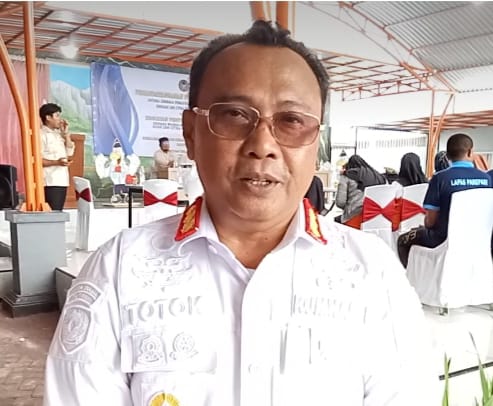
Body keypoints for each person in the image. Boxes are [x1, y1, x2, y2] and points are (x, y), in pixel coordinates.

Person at [44, 21, 438, 406]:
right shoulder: (117, 271)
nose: (262, 145)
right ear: (191, 133)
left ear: (315, 141)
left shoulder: (373, 274)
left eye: (292, 120)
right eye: (234, 114)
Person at [398, 133, 492, 267]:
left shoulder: (440, 178)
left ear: (447, 155)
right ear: (470, 152)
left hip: (443, 238)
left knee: (403, 240)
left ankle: (413, 277)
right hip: (478, 237)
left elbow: (430, 221)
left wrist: (425, 227)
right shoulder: (486, 179)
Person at [40, 103, 74, 211]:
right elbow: (37, 160)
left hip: (61, 180)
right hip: (50, 181)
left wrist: (66, 134)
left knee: (58, 211)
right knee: (52, 213)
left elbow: (70, 152)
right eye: (57, 116)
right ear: (48, 117)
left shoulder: (58, 134)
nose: (60, 119)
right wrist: (57, 163)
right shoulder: (41, 135)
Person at [334, 154, 387, 223]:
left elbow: (340, 202)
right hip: (377, 218)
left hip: (353, 218)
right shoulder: (379, 177)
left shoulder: (346, 176)